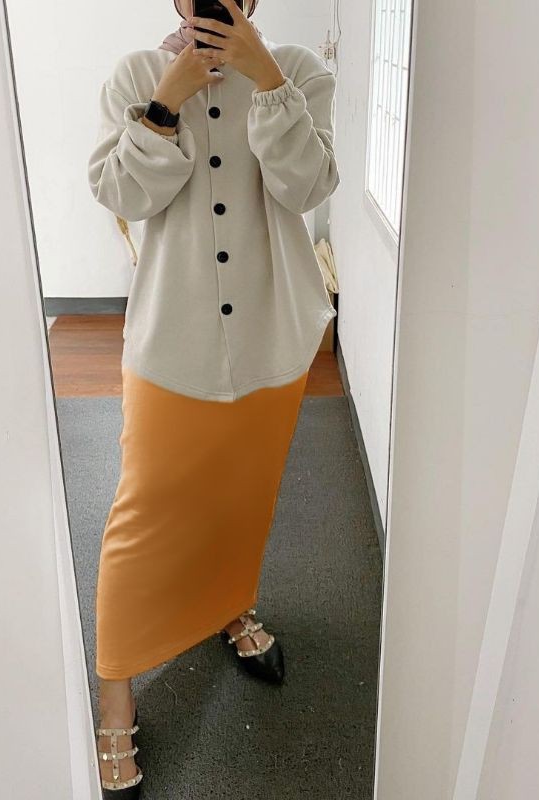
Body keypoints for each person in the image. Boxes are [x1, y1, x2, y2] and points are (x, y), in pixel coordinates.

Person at [86, 0, 339, 795]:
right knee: (144, 510)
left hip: (271, 334)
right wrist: (166, 99)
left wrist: (268, 80)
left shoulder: (299, 72)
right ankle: (116, 700)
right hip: (173, 342)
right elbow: (122, 194)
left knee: (242, 498)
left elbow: (307, 186)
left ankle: (231, 606)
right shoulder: (137, 74)